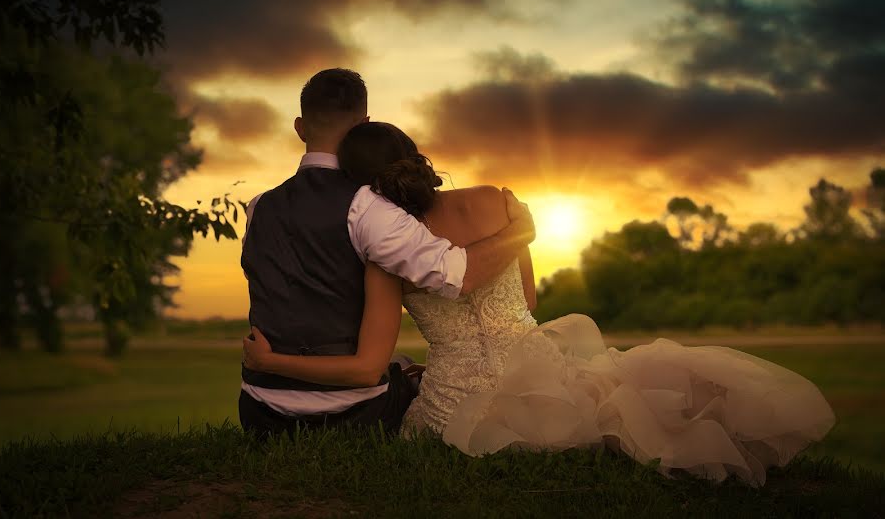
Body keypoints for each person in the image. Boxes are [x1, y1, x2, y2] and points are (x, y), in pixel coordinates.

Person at [243, 121, 836, 486]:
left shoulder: (384, 255)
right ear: (415, 157)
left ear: (365, 189)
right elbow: (527, 297)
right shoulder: (502, 201)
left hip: (455, 402)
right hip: (543, 373)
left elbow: (376, 349)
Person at [238, 69, 536, 438]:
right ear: (362, 124)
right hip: (350, 414)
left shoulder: (257, 207)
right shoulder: (369, 208)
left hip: (260, 411)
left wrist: (268, 362)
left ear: (300, 127)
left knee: (403, 365)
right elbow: (457, 274)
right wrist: (520, 233)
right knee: (403, 370)